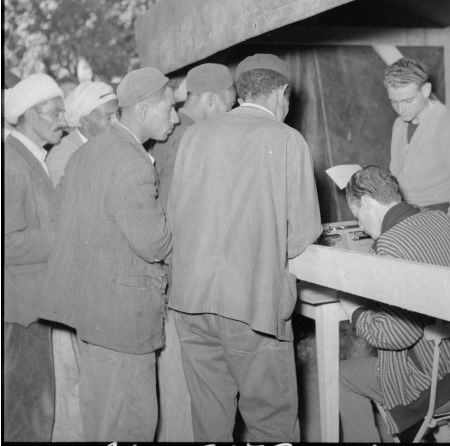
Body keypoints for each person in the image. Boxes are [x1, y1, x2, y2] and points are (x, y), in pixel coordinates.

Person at [167, 53, 322, 442]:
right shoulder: (287, 139)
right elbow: (304, 234)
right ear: (283, 93)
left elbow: (176, 217)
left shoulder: (195, 135)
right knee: (272, 422)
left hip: (190, 303)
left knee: (210, 421)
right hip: (251, 307)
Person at [40, 67, 178, 442]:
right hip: (123, 319)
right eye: (169, 109)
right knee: (133, 421)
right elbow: (155, 244)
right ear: (145, 109)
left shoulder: (88, 152)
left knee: (102, 419)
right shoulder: (133, 162)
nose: (176, 117)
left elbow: (60, 217)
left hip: (93, 312)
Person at [338, 165, 450, 442]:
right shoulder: (443, 220)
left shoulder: (391, 246)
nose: (360, 226)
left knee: (341, 375)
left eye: (358, 216)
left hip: (434, 390)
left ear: (369, 203)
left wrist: (353, 309)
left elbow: (396, 336)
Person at [150, 62, 236, 442]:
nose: (232, 115)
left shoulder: (172, 133)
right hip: (186, 275)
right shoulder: (190, 136)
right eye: (231, 105)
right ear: (214, 98)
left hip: (175, 273)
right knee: (192, 383)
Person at [44, 80, 119, 441]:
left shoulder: (97, 147)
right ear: (84, 120)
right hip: (74, 284)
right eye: (110, 116)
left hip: (92, 281)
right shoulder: (66, 155)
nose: (117, 123)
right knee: (73, 379)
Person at [3, 74, 67, 441]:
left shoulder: (31, 157)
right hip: (20, 313)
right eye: (56, 112)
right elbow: (7, 243)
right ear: (29, 114)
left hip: (33, 305)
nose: (64, 119)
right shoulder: (12, 164)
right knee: (29, 411)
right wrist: (63, 236)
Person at [384, 57, 450, 232]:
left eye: (408, 101)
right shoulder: (399, 124)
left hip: (440, 217)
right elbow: (395, 176)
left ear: (426, 90)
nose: (400, 109)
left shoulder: (448, 126)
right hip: (407, 217)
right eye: (394, 102)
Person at [151, 62, 236, 207]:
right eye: (229, 106)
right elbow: (172, 200)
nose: (229, 114)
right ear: (212, 99)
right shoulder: (194, 137)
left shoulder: (167, 128)